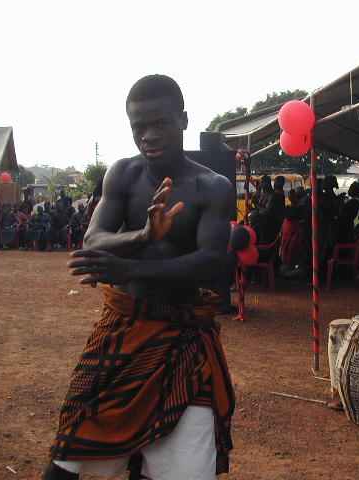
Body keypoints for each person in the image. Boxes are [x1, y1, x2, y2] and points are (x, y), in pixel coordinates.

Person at [42, 75, 235, 480]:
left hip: (182, 338)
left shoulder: (211, 186)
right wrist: (145, 235)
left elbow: (210, 262)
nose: (147, 135)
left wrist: (130, 267)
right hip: (122, 330)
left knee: (180, 472)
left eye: (159, 124)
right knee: (68, 455)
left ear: (182, 120)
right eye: (137, 127)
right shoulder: (123, 174)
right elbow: (94, 238)